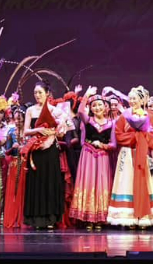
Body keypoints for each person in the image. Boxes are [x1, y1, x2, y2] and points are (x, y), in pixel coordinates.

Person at [107, 86, 153, 228]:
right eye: (130, 98)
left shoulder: (152, 116)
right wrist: (137, 136)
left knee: (146, 182)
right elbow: (119, 135)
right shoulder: (124, 116)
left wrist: (143, 136)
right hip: (128, 154)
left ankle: (146, 216)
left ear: (142, 100)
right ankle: (129, 217)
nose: (132, 101)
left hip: (144, 154)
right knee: (127, 182)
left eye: (134, 98)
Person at [22, 82, 67, 229]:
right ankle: (36, 219)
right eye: (35, 92)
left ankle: (51, 218)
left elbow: (62, 130)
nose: (37, 95)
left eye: (40, 92)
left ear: (47, 93)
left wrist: (57, 130)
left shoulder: (56, 111)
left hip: (50, 150)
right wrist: (38, 130)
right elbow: (25, 131)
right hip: (36, 150)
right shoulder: (30, 110)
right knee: (37, 182)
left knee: (50, 181)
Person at [70, 88, 116, 229]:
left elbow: (114, 145)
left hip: (103, 157)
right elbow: (80, 111)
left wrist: (102, 145)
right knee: (89, 183)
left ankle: (100, 219)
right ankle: (88, 218)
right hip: (88, 155)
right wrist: (86, 95)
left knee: (102, 184)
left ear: (106, 107)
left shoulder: (111, 123)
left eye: (100, 105)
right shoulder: (88, 120)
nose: (97, 108)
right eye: (94, 105)